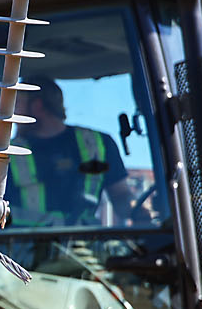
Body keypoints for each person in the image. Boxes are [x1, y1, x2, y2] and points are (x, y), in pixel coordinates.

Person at [8, 77, 134, 226]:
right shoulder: (7, 154)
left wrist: (140, 214)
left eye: (18, 105)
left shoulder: (99, 144)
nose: (13, 114)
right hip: (22, 247)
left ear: (37, 106)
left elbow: (121, 196)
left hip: (88, 246)